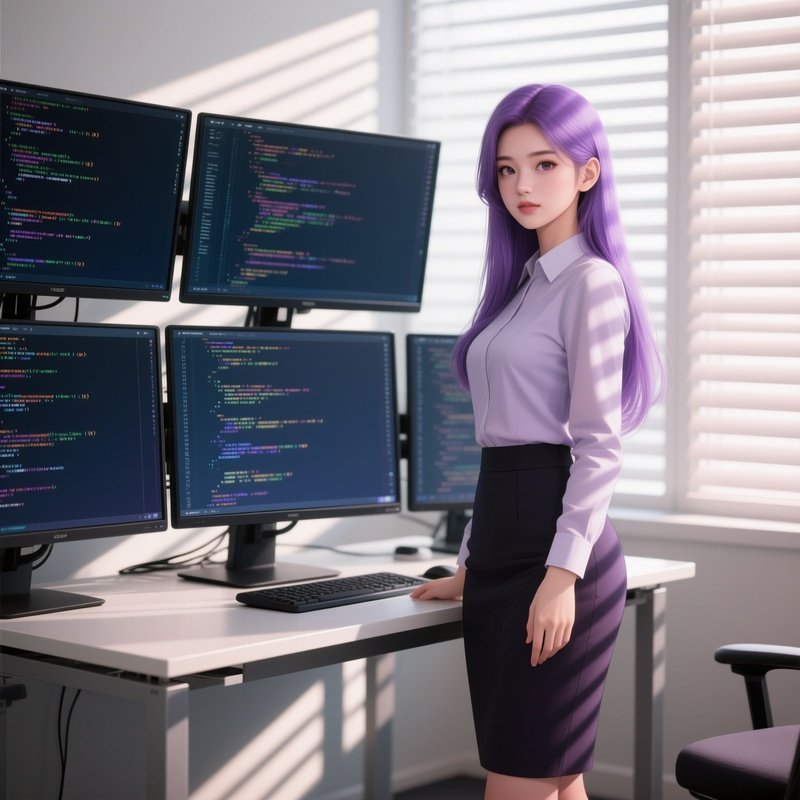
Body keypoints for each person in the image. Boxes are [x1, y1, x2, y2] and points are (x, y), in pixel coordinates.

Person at [410, 84, 664, 800]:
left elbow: (596, 446)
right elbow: (499, 453)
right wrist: (470, 560)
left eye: (544, 164)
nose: (522, 184)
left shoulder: (591, 283)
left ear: (587, 172)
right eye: (506, 168)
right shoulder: (521, 285)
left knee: (518, 784)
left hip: (555, 564)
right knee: (554, 785)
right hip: (502, 554)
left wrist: (561, 579)